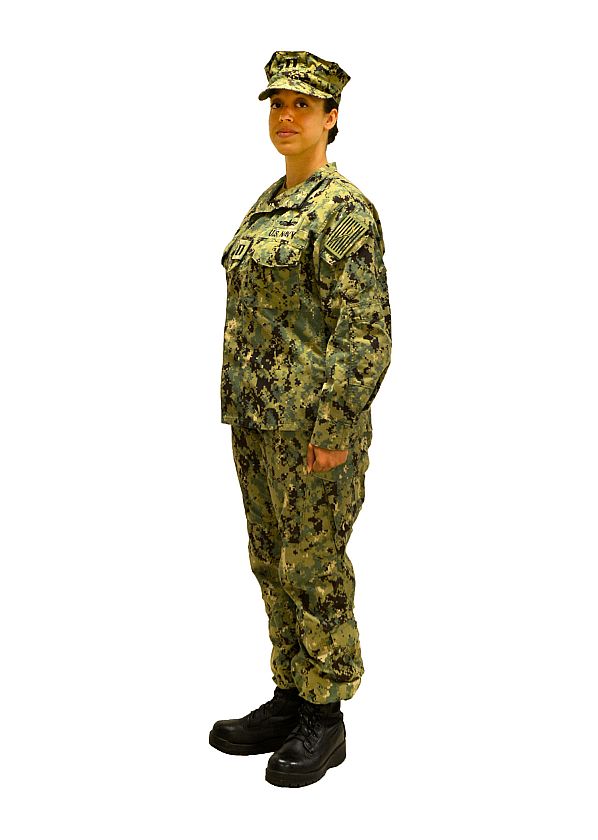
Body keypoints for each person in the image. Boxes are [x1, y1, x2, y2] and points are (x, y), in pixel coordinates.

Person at [209, 50, 392, 787]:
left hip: (313, 430)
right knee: (271, 561)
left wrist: (335, 428)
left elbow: (365, 331)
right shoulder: (267, 206)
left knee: (314, 567)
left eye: (302, 106)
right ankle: (291, 694)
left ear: (331, 117)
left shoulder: (342, 210)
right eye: (277, 104)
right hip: (258, 422)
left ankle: (326, 714)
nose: (286, 117)